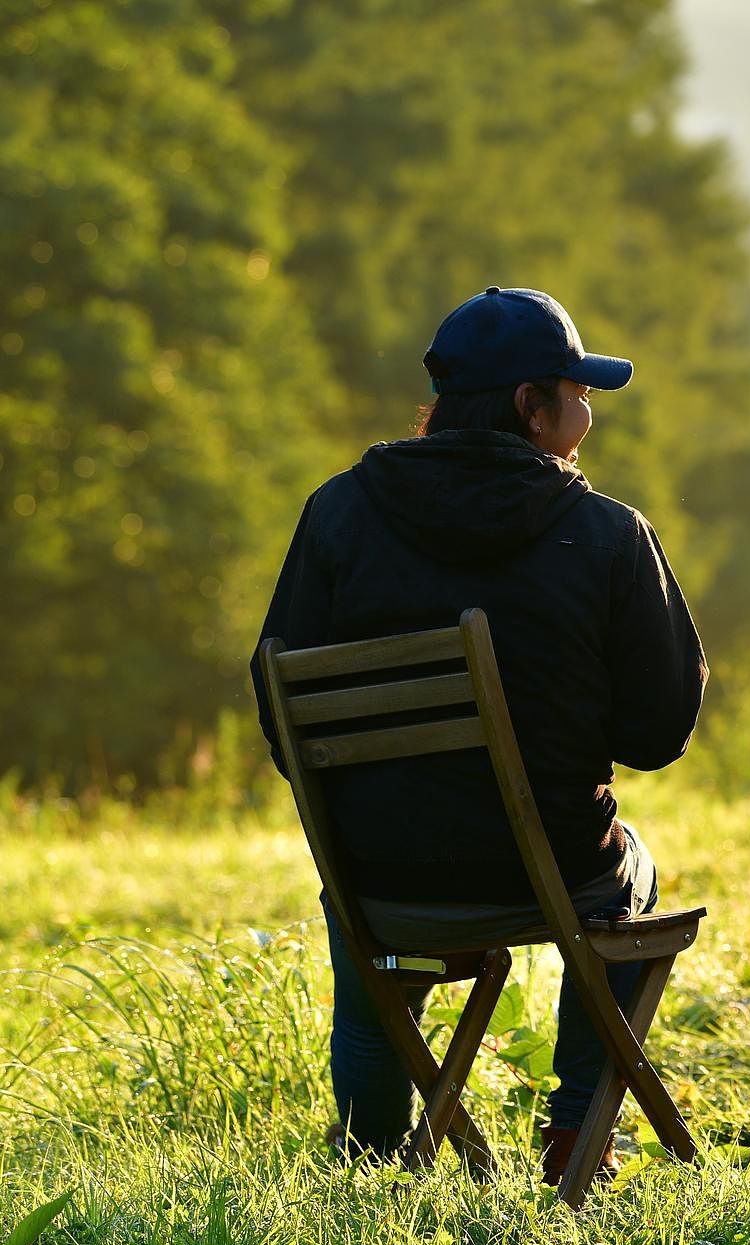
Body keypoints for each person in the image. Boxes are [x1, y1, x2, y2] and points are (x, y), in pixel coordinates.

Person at [249, 286, 705, 1182]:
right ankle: (580, 1130)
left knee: (361, 926)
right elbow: (658, 732)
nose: (589, 408)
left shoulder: (336, 513)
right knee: (630, 871)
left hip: (378, 871)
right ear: (532, 407)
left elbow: (277, 696)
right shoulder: (606, 534)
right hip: (549, 871)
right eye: (578, 390)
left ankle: (370, 1163)